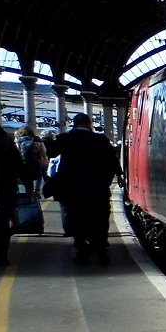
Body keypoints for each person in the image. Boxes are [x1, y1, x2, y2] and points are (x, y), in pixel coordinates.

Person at [51, 113, 122, 266]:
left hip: (73, 191)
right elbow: (113, 163)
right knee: (100, 220)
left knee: (77, 220)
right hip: (97, 190)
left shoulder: (66, 138)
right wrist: (107, 181)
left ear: (74, 124)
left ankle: (82, 251)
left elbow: (50, 152)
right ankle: (102, 251)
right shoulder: (101, 139)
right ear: (89, 123)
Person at [0, 128, 23, 268]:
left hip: (4, 187)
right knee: (2, 223)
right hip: (4, 187)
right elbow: (18, 164)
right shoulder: (6, 141)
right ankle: (1, 257)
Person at [15, 124, 49, 197]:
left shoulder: (20, 140)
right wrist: (45, 159)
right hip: (36, 163)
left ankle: (29, 194)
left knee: (27, 180)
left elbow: (17, 153)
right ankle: (37, 190)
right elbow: (43, 151)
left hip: (24, 164)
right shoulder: (37, 139)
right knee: (39, 176)